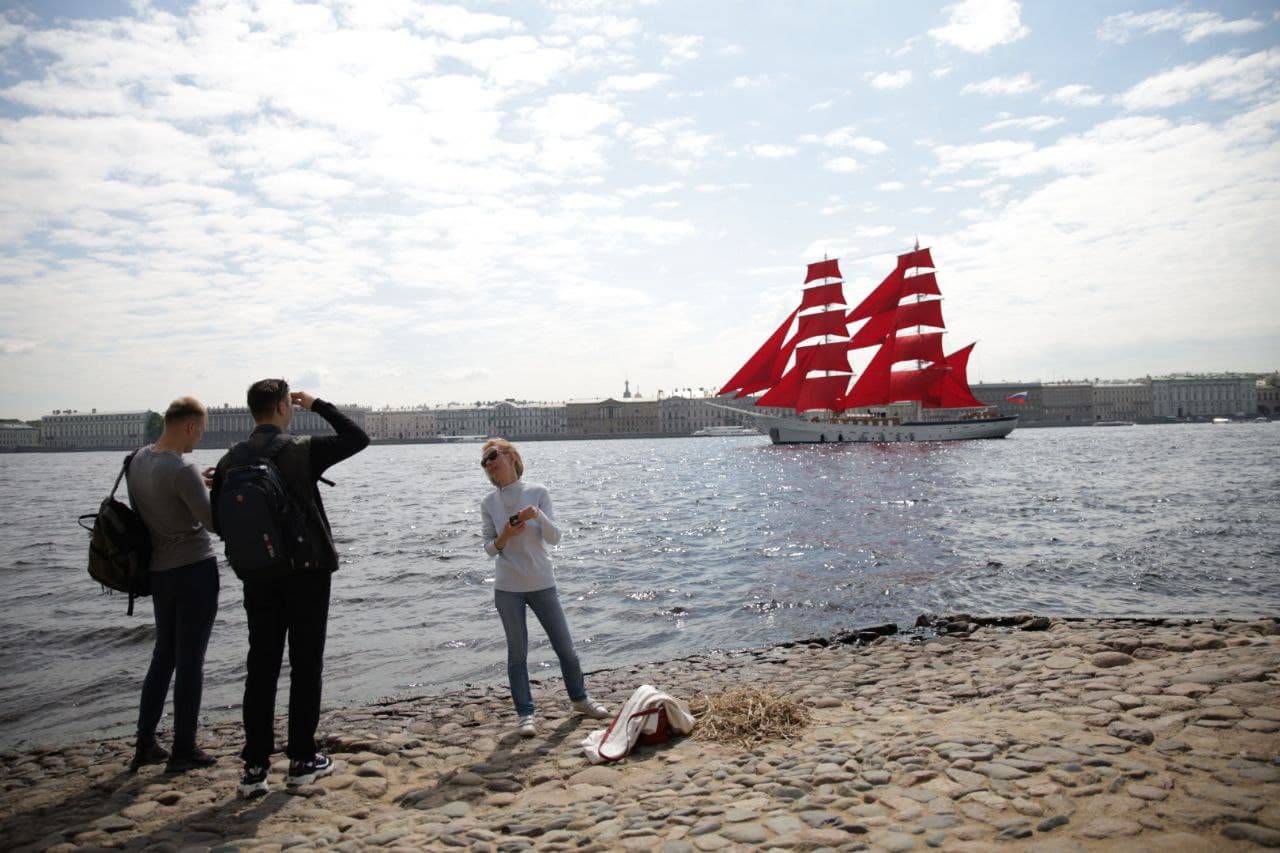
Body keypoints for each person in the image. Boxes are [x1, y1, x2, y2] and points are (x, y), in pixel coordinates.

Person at [211, 379, 369, 798]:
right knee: (305, 664)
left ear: (250, 411)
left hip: (257, 574)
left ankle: (254, 767)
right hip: (307, 571)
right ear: (284, 406)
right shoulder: (301, 449)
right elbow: (357, 437)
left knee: (260, 667)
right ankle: (301, 758)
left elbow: (219, 523)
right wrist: (318, 403)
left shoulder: (230, 460)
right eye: (292, 404)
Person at [479, 438, 610, 737]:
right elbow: (489, 548)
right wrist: (506, 534)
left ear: (511, 456)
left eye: (492, 456)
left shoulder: (538, 493)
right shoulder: (489, 503)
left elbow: (554, 538)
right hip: (507, 587)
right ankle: (525, 714)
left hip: (542, 582)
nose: (488, 464)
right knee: (517, 653)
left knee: (565, 647)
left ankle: (580, 699)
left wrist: (537, 515)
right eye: (484, 461)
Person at [125, 396, 220, 773]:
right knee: (191, 660)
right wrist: (218, 488)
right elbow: (212, 522)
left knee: (163, 656)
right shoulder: (182, 468)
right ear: (191, 426)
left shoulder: (137, 460)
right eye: (201, 431)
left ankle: (145, 743)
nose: (199, 439)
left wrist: (199, 484)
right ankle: (184, 749)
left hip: (159, 572)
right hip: (194, 568)